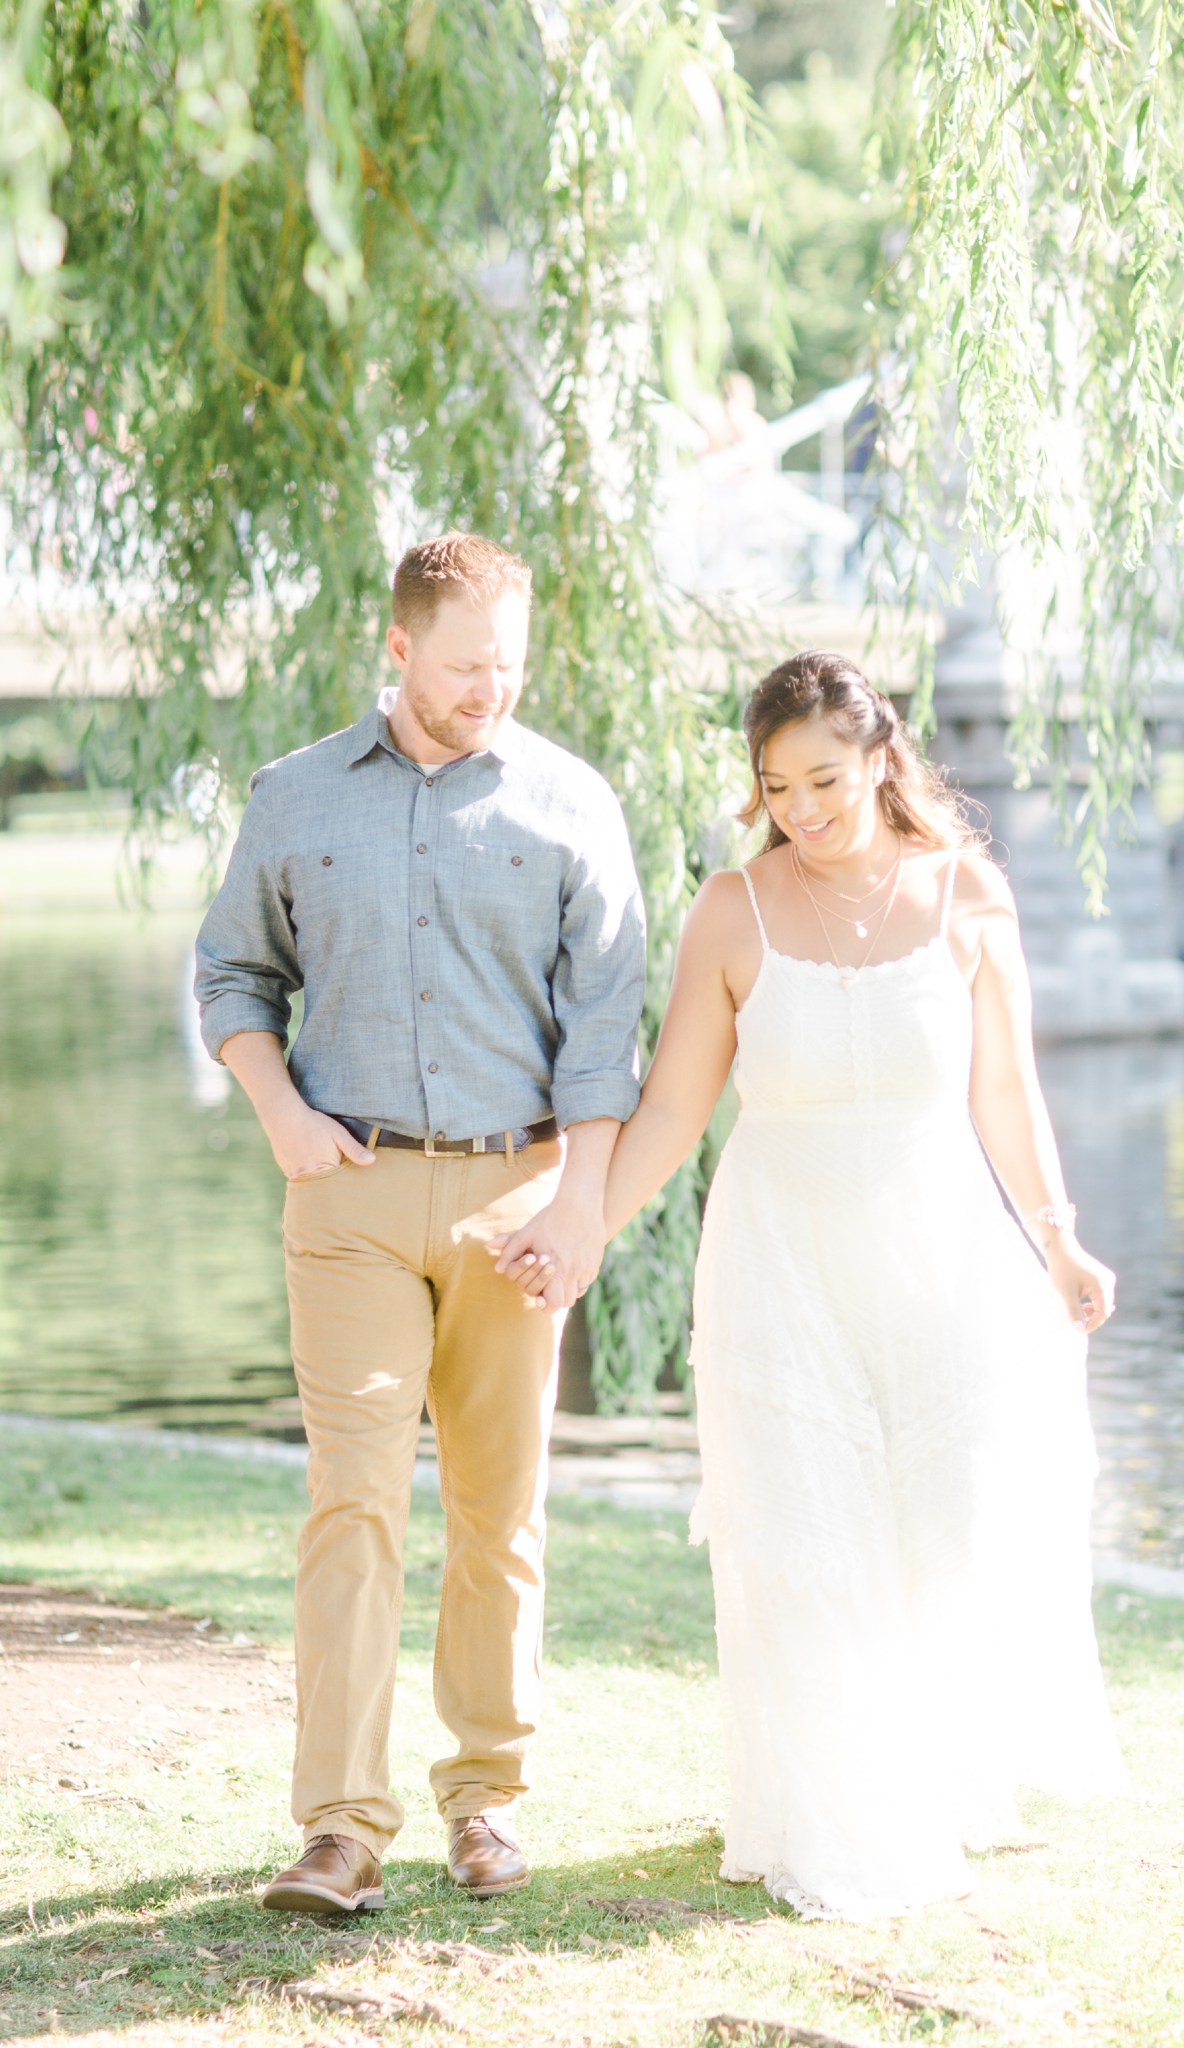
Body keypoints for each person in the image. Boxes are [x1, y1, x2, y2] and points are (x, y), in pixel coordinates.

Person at [499, 647, 1125, 1920]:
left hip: (943, 1250)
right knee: (807, 1539)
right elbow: (675, 1104)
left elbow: (1005, 1092)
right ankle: (830, 1810)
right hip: (778, 1257)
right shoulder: (733, 909)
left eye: (825, 779)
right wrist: (586, 1229)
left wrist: (1057, 1236)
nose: (804, 807)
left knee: (948, 1523)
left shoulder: (968, 897)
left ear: (883, 759)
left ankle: (936, 1772)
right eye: (778, 786)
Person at [195, 531, 645, 1914]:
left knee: (501, 1514)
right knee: (354, 1504)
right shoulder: (292, 797)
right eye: (461, 668)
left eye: (507, 666)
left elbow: (606, 1034)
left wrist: (581, 1201)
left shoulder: (574, 805)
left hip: (521, 1195)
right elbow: (230, 976)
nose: (487, 691)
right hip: (351, 1196)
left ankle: (488, 1801)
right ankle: (339, 1829)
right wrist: (277, 1110)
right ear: (398, 650)